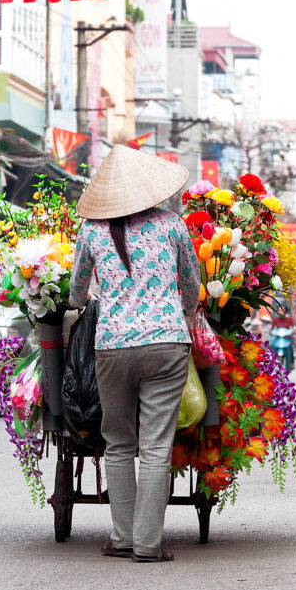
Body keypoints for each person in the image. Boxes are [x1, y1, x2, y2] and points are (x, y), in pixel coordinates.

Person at [69, 145, 200, 563]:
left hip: (111, 346)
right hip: (166, 343)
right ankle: (148, 545)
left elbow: (76, 292)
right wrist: (186, 313)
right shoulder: (172, 225)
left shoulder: (91, 230)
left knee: (118, 443)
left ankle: (123, 538)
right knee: (157, 446)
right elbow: (190, 284)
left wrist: (89, 299)